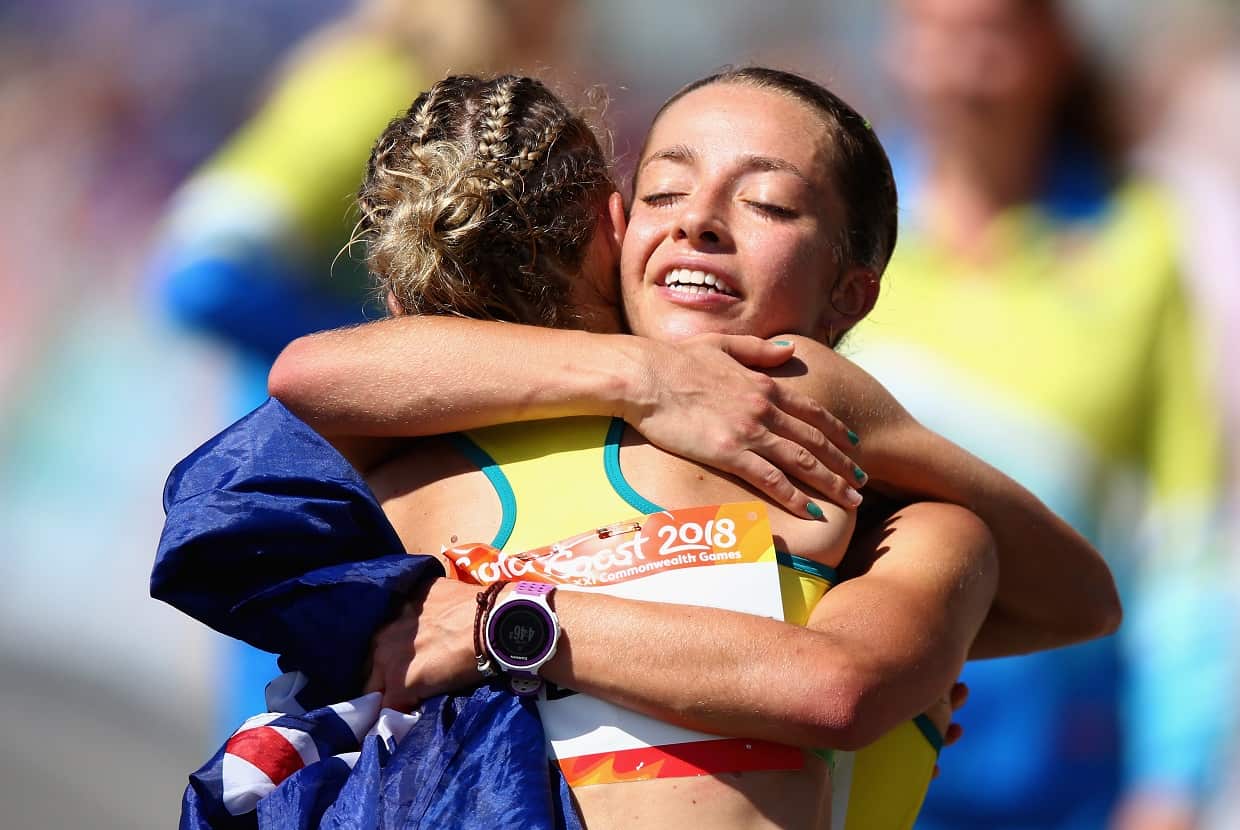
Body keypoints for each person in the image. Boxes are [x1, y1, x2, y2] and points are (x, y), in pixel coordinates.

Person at [261, 70, 1118, 829]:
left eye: (770, 205)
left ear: (850, 295)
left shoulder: (915, 537)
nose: (699, 222)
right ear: (614, 230)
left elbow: (841, 686)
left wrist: (503, 621)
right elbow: (309, 372)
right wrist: (646, 374)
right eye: (663, 194)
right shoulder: (442, 428)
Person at [837, 1, 1233, 828]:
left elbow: (1186, 533)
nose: (962, 71)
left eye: (992, 37)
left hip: (1067, 772)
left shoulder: (1139, 238)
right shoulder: (827, 220)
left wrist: (1172, 780)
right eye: (934, 36)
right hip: (856, 744)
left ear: (1054, 49)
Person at [148, 0, 583, 733]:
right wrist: (384, 363)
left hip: (354, 498)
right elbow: (198, 277)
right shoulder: (377, 91)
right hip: (316, 503)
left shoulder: (431, 93)